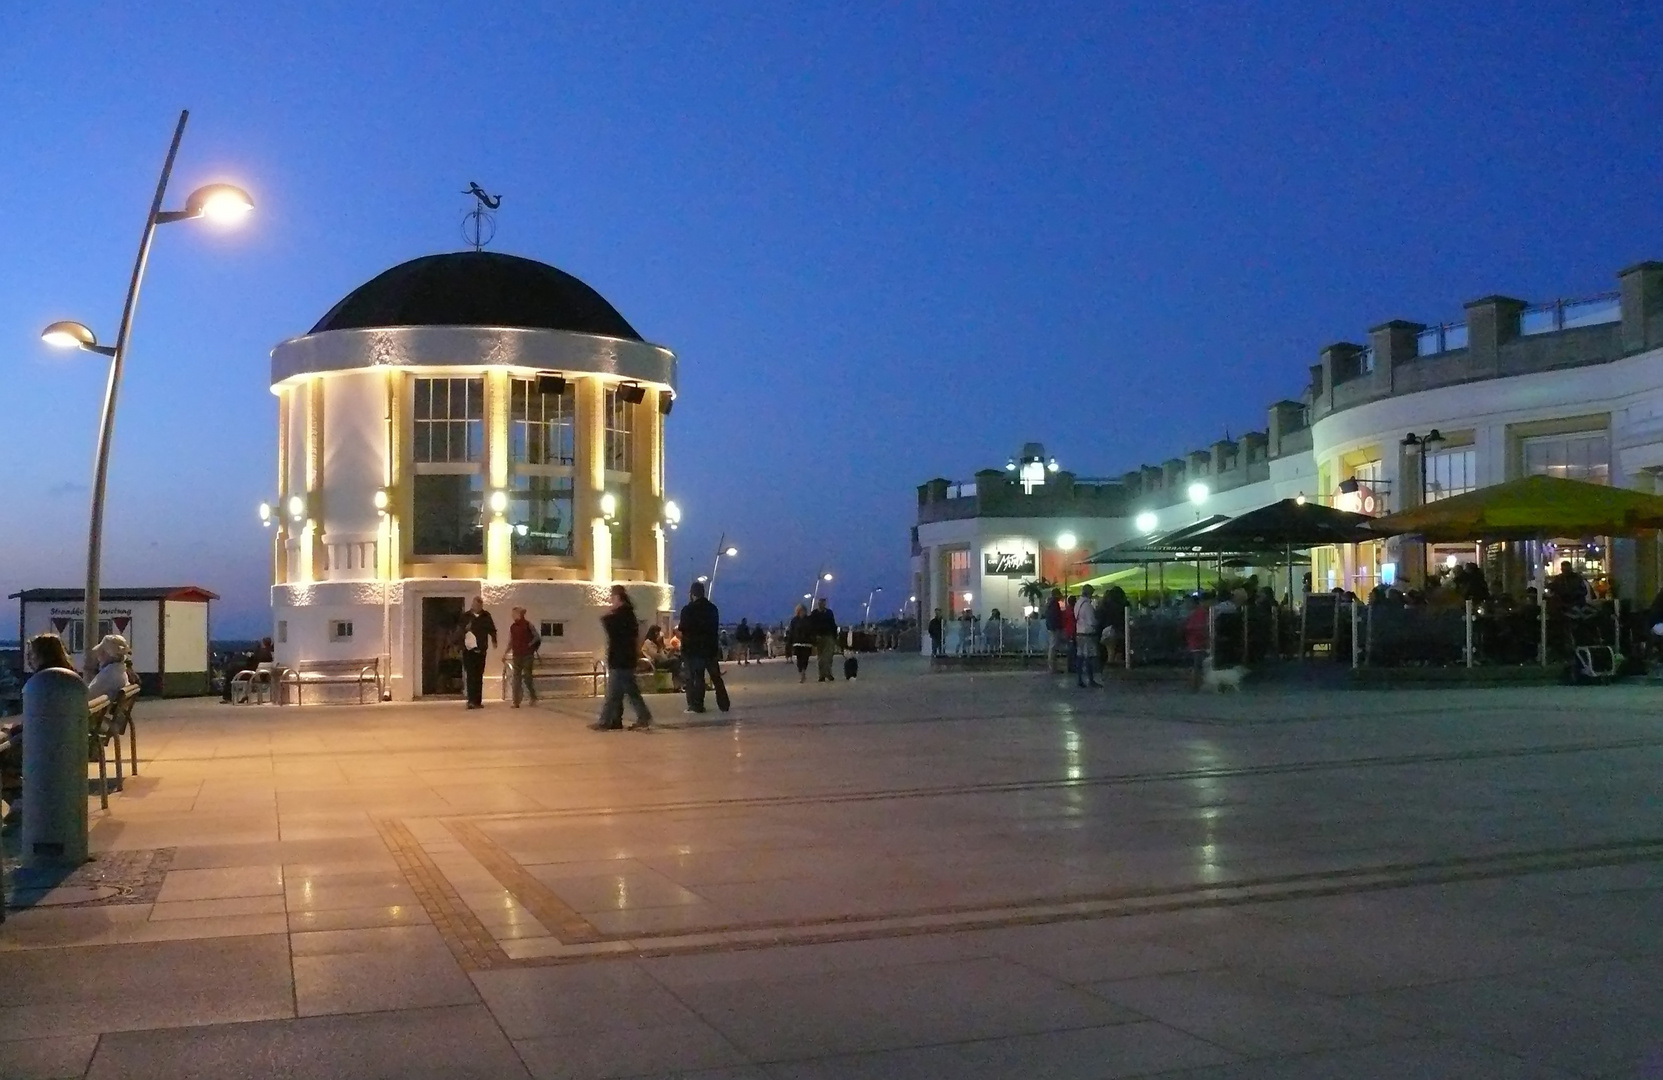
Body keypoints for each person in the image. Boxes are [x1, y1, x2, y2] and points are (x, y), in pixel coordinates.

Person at [593, 585, 651, 730]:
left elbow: (610, 627)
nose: (611, 601)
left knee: (613, 694)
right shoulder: (629, 615)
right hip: (626, 659)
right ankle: (638, 718)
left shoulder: (621, 616)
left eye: (613, 598)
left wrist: (608, 615)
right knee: (630, 692)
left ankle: (605, 721)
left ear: (618, 598)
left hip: (620, 660)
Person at [678, 580, 721, 712]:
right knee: (716, 677)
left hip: (693, 649)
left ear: (692, 594)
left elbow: (683, 628)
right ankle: (724, 702)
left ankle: (697, 704)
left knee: (696, 677)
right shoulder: (713, 608)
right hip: (710, 648)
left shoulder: (688, 610)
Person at [458, 596, 497, 709]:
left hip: (481, 650)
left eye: (479, 605)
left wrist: (494, 640)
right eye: (475, 605)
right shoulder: (466, 616)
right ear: (472, 605)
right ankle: (471, 701)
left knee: (479, 675)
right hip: (468, 650)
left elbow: (492, 629)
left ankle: (478, 701)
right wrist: (465, 630)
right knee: (470, 675)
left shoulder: (486, 616)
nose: (477, 607)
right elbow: (459, 631)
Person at [507, 606, 541, 708]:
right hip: (516, 654)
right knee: (516, 678)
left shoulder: (528, 625)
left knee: (527, 677)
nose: (512, 616)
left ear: (519, 614)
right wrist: (505, 652)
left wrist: (529, 644)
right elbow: (511, 641)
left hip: (527, 655)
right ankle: (516, 701)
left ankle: (533, 696)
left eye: (514, 614)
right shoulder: (512, 627)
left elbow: (537, 637)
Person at [86, 634, 135, 703]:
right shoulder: (119, 671)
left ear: (109, 654)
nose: (99, 656)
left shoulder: (108, 674)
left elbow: (86, 697)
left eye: (102, 652)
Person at [1073, 584, 1101, 688]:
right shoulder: (1087, 606)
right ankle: (1091, 680)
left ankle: (1079, 679)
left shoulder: (1078, 603)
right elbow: (1092, 621)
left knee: (1080, 656)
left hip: (1078, 632)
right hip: (1087, 633)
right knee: (1089, 657)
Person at [808, 597, 839, 682]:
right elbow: (811, 626)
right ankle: (822, 675)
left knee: (828, 656)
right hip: (819, 637)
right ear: (818, 604)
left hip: (829, 636)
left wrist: (835, 636)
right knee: (821, 657)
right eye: (821, 602)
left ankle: (828, 673)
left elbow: (833, 624)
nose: (822, 604)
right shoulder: (814, 614)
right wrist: (814, 636)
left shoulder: (829, 613)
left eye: (824, 603)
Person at [787, 604, 814, 682]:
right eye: (800, 611)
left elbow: (812, 631)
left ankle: (803, 672)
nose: (802, 612)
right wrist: (789, 642)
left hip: (807, 643)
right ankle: (801, 673)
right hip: (797, 642)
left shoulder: (809, 620)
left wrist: (813, 639)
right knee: (798, 659)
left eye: (803, 610)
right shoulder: (794, 620)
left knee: (805, 658)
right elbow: (791, 632)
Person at [1044, 589, 1066, 672]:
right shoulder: (1054, 604)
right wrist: (1059, 626)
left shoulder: (1050, 604)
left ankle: (1052, 666)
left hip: (1051, 627)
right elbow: (1055, 617)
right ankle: (1053, 667)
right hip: (1054, 627)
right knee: (1053, 647)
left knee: (1052, 647)